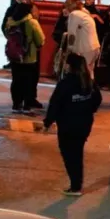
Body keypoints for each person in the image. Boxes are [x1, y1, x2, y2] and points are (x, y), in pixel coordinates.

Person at [43, 53, 102, 196]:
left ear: (69, 66)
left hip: (67, 126)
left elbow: (55, 104)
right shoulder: (88, 82)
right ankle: (77, 184)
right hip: (84, 124)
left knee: (69, 155)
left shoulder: (65, 84)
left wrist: (48, 122)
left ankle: (75, 186)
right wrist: (89, 110)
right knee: (77, 153)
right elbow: (98, 99)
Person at [4, 1, 45, 114]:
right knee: (28, 81)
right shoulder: (32, 22)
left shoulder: (10, 21)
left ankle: (16, 103)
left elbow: (8, 35)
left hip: (15, 57)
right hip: (29, 57)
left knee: (16, 80)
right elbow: (40, 40)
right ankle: (27, 104)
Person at [66, 0, 101, 73]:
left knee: (82, 74)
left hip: (85, 49)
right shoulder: (85, 12)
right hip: (95, 47)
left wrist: (70, 49)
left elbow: (71, 34)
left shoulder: (74, 14)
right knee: (90, 72)